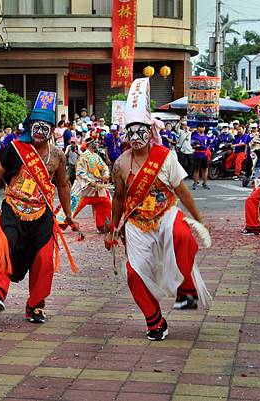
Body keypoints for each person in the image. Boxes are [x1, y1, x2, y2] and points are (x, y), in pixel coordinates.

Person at [105, 78, 211, 341]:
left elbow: (182, 191)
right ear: (126, 134)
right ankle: (155, 321)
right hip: (136, 222)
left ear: (150, 130)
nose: (136, 137)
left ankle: (186, 292)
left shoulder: (165, 157)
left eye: (141, 130)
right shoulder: (120, 164)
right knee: (133, 274)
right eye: (131, 131)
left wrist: (198, 218)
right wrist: (113, 228)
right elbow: (118, 198)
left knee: (183, 237)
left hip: (165, 214)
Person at [0, 91, 78, 324]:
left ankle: (35, 305)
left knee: (44, 260)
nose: (40, 132)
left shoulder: (58, 156)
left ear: (52, 131)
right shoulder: (16, 148)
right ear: (30, 126)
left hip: (42, 214)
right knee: (5, 244)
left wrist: (68, 215)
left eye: (45, 128)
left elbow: (62, 184)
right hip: (13, 207)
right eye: (36, 126)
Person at [71, 136, 112, 233]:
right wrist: (90, 181)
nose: (97, 144)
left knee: (106, 203)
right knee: (74, 207)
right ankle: (58, 223)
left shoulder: (96, 156)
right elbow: (80, 172)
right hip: (86, 188)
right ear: (89, 145)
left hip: (98, 188)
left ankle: (102, 226)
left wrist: (105, 175)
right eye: (95, 142)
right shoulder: (83, 156)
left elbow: (104, 167)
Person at [190, 123, 211, 190]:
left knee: (205, 169)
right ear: (198, 128)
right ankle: (195, 183)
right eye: (200, 127)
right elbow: (192, 144)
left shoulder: (206, 137)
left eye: (203, 127)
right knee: (196, 169)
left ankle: (205, 183)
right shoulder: (195, 136)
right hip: (197, 154)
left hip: (204, 155)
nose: (202, 128)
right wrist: (196, 146)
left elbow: (208, 145)